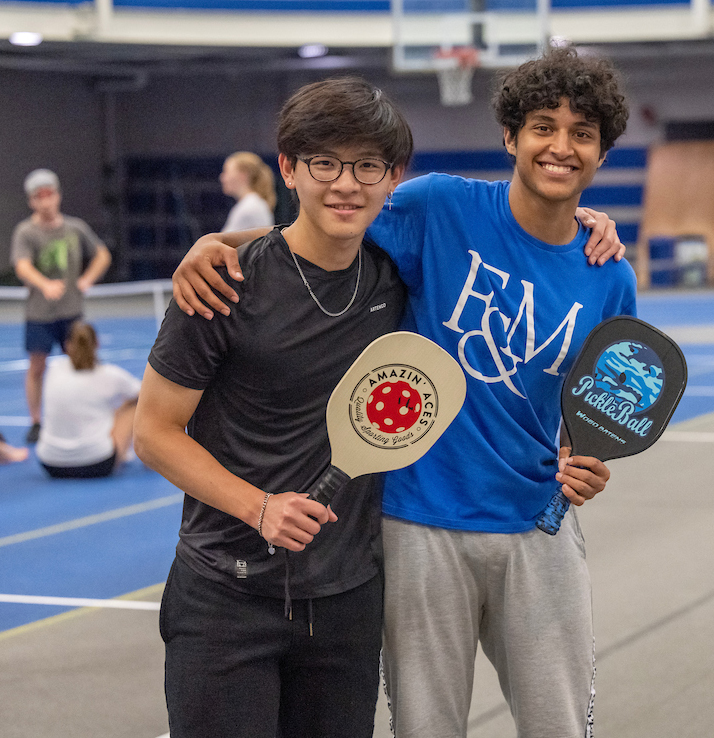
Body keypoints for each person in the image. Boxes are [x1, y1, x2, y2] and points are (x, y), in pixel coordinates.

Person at [173, 47, 635, 737]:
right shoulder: (438, 206)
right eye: (543, 126)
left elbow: (590, 413)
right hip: (417, 525)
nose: (560, 147)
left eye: (582, 134)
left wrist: (586, 460)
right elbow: (327, 226)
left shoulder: (608, 276)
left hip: (536, 529)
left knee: (561, 727)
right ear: (511, 136)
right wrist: (218, 242)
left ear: (601, 153)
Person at [133, 77, 413, 738]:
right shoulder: (223, 284)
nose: (346, 183)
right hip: (226, 598)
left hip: (347, 601)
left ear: (392, 178)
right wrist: (257, 507)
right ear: (288, 168)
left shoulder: (399, 275)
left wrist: (586, 221)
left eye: (367, 165)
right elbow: (152, 432)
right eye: (324, 162)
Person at [11, 168, 112, 444]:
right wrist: (44, 284)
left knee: (81, 361)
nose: (45, 201)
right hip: (40, 313)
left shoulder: (75, 228)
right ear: (32, 201)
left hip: (71, 311)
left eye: (49, 194)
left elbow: (102, 254)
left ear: (57, 196)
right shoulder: (26, 232)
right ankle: (35, 420)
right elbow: (22, 265)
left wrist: (88, 279)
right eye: (39, 197)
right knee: (37, 366)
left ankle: (86, 414)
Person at [36, 320, 141, 478]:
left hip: (50, 463)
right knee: (135, 407)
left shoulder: (54, 369)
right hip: (97, 463)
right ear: (97, 343)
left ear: (67, 345)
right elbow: (143, 394)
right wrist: (123, 407)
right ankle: (146, 458)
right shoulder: (109, 375)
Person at [219, 151, 277, 231]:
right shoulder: (252, 204)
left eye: (226, 172)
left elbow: (224, 241)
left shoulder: (249, 208)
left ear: (243, 175)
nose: (222, 178)